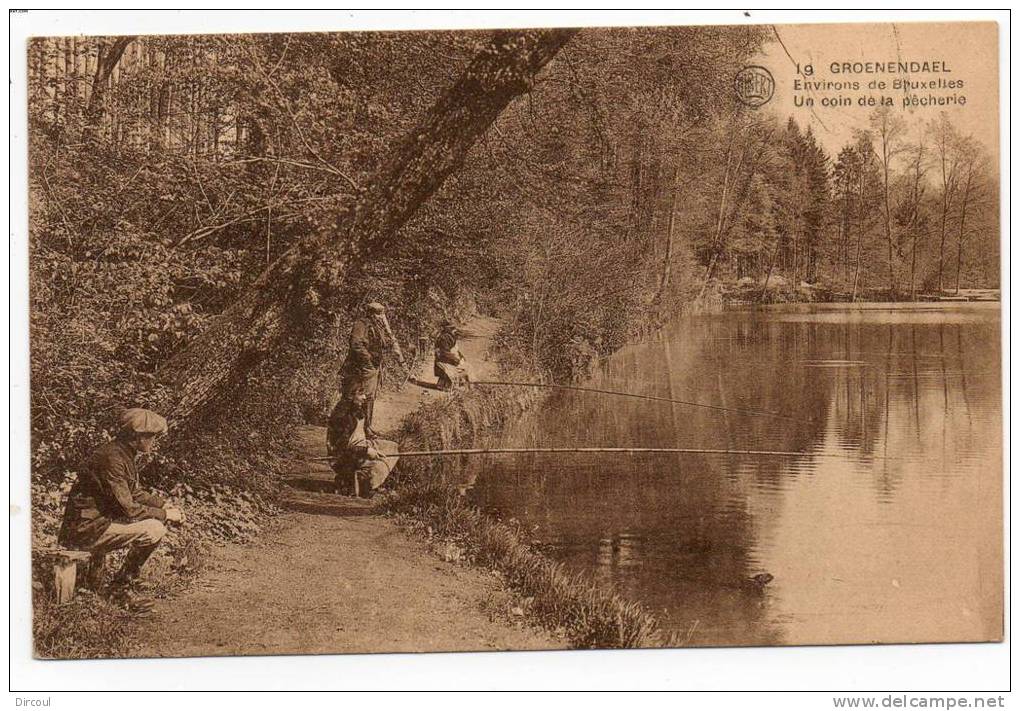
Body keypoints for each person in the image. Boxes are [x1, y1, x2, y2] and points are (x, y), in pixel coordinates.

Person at [58, 408, 184, 607]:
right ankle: (119, 588)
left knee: (155, 524)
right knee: (154, 529)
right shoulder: (112, 458)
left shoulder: (122, 454)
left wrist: (162, 504)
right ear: (137, 436)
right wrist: (165, 514)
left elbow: (134, 492)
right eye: (151, 436)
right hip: (84, 530)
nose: (153, 441)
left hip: (96, 524)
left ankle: (118, 586)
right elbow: (128, 509)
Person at [339, 302, 405, 438]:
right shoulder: (361, 324)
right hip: (358, 369)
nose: (381, 317)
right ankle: (350, 432)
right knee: (355, 398)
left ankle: (367, 427)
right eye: (378, 314)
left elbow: (385, 343)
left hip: (371, 368)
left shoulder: (377, 326)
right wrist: (368, 359)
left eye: (382, 314)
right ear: (371, 313)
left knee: (369, 398)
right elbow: (356, 344)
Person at [326, 392, 399, 498]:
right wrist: (366, 451)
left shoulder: (357, 409)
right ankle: (357, 483)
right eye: (360, 394)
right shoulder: (342, 417)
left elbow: (362, 431)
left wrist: (371, 438)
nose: (364, 397)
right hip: (345, 457)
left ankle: (381, 481)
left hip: (361, 445)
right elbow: (341, 450)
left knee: (393, 446)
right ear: (350, 396)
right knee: (377, 467)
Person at [433, 320, 470, 391]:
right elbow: (444, 352)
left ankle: (446, 383)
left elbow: (455, 349)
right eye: (452, 328)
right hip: (442, 359)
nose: (454, 330)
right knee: (457, 370)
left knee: (464, 366)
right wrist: (456, 359)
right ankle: (445, 385)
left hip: (448, 358)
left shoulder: (451, 337)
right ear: (447, 329)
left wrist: (461, 357)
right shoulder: (443, 338)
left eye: (453, 328)